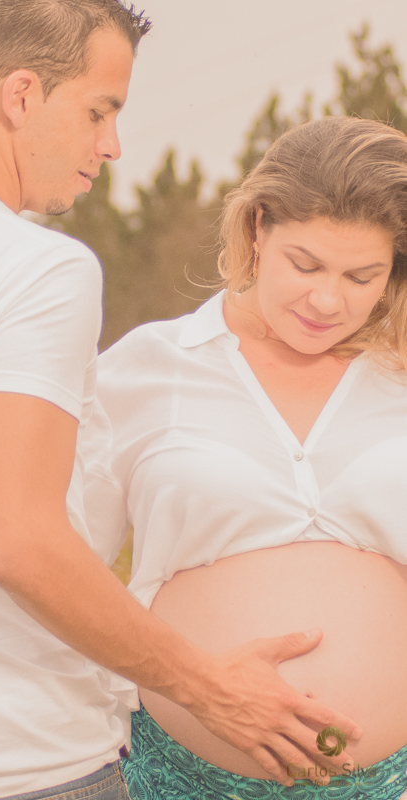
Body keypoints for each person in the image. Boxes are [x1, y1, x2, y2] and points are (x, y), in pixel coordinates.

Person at [0, 3, 362, 799]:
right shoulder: (37, 270)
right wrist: (210, 687)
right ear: (21, 96)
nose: (111, 145)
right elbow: (17, 540)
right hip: (24, 765)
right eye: (100, 110)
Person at [82, 115, 407, 800]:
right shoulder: (147, 368)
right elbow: (59, 567)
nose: (325, 299)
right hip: (179, 778)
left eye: (360, 275)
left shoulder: (400, 378)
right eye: (305, 263)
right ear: (257, 229)